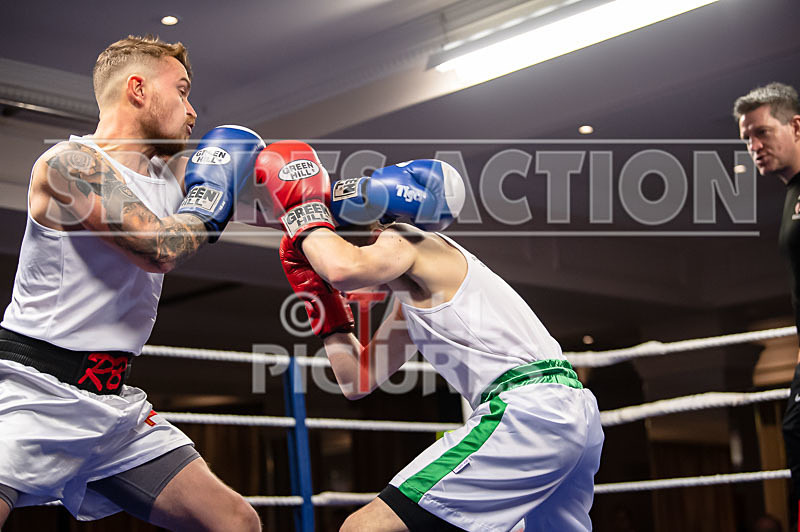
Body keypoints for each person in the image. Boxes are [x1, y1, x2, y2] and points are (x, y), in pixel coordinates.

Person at [257, 141, 605, 531]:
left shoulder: (410, 238)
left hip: (530, 411)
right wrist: (321, 301)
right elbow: (356, 379)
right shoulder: (420, 304)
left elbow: (343, 267)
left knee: (363, 528)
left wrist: (302, 208)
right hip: (571, 415)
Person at [0, 35, 264, 530]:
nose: (192, 110)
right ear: (138, 89)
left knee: (235, 521)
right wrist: (210, 203)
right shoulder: (68, 165)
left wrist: (355, 199)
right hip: (29, 394)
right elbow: (158, 247)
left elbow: (269, 205)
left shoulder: (170, 176)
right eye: (182, 90)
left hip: (111, 406)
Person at [734, 82, 800, 528]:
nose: (755, 146)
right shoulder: (792, 194)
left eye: (762, 132)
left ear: (796, 125)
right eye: (747, 139)